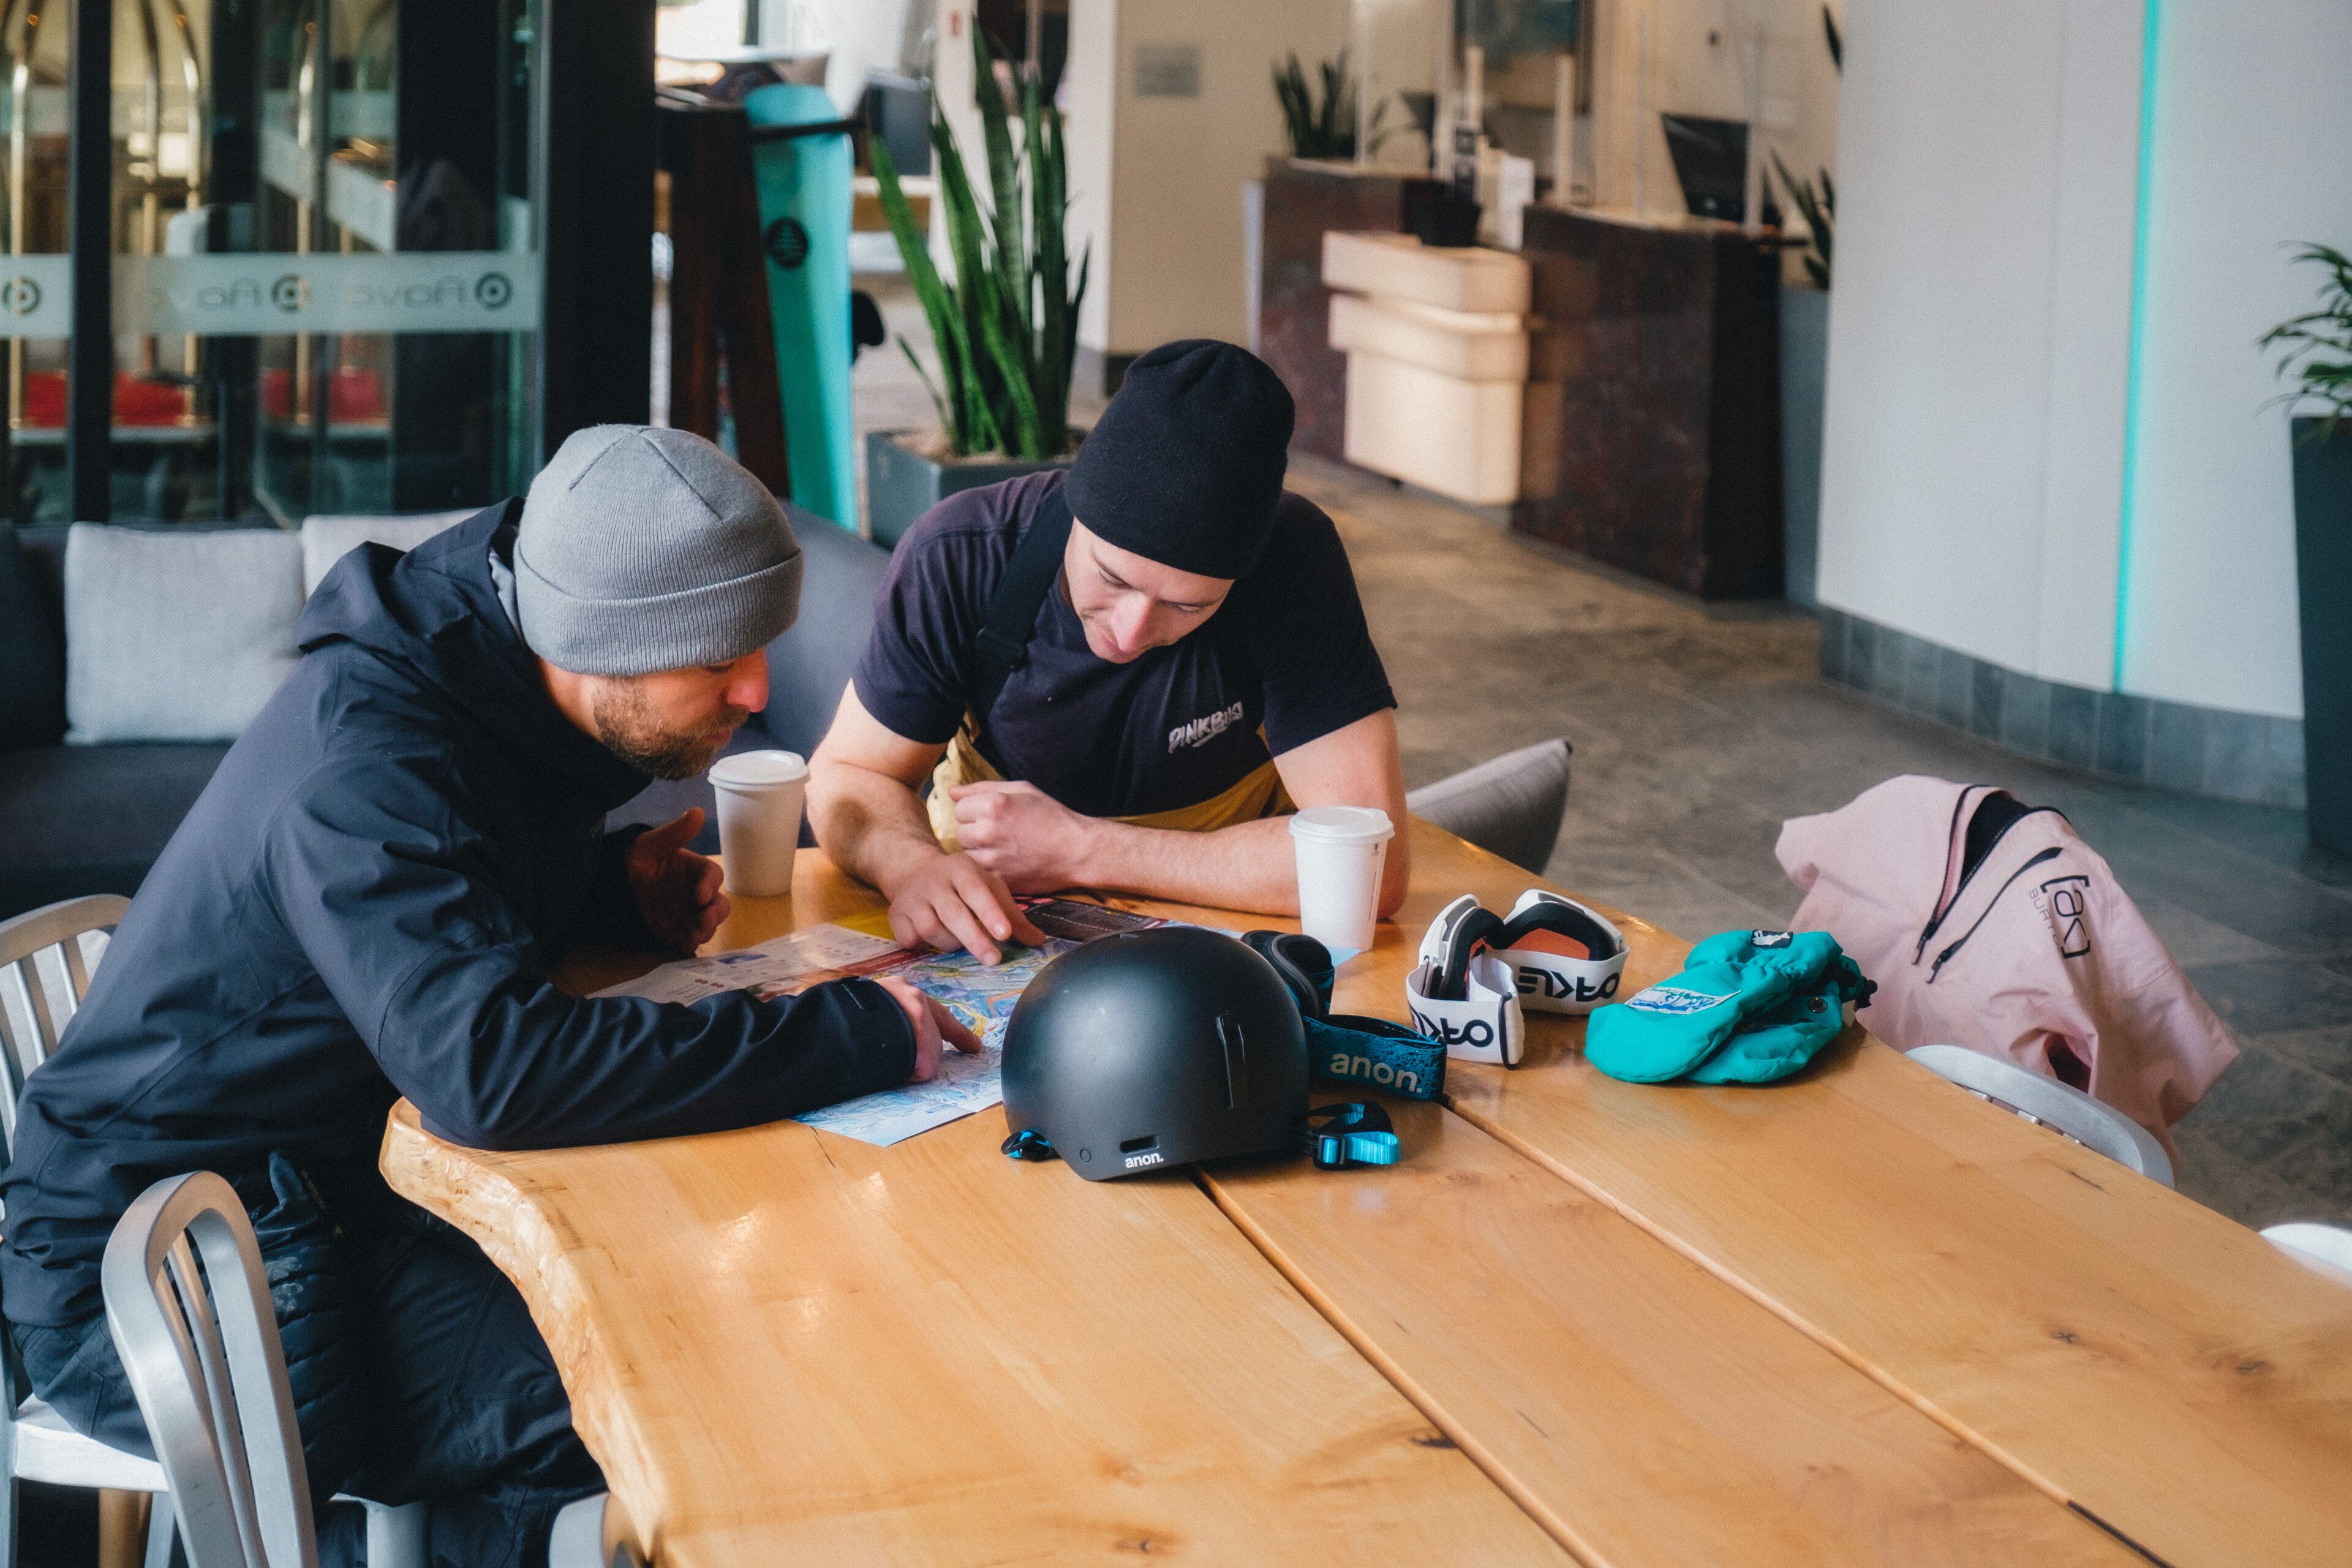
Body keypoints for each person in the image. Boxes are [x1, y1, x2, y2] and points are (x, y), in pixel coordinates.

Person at [0, 426, 978, 1567]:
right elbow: (495, 1074)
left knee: (682, 1285)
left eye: (761, 647)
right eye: (717, 661)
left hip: (316, 1188)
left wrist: (613, 895)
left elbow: (451, 907)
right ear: (601, 646)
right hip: (162, 1272)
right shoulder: (369, 770)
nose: (758, 689)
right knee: (655, 1381)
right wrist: (848, 1034)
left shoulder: (496, 669)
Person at [808, 340, 1408, 963]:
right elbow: (847, 776)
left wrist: (1082, 847)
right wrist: (910, 866)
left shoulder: (1294, 566)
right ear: (1074, 511)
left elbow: (1368, 866)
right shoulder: (962, 553)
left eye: (1187, 606)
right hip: (991, 923)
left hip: (1226, 938)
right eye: (1112, 579)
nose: (1129, 632)